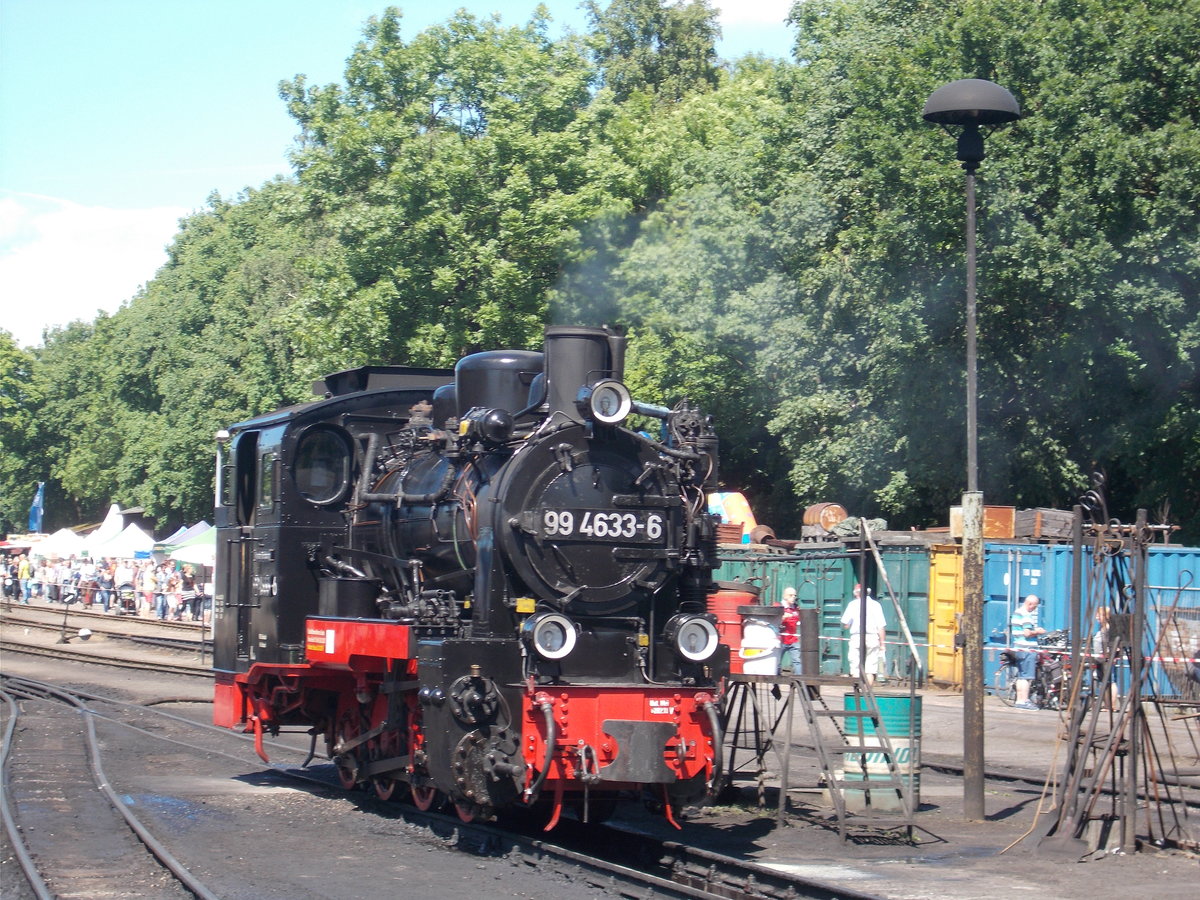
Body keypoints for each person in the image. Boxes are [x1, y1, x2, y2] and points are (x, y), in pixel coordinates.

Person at [841, 583, 886, 684]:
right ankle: (868, 692)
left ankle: (859, 693)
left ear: (856, 593)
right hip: (872, 637)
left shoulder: (852, 605)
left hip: (857, 637)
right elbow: (881, 626)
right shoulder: (876, 605)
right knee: (870, 667)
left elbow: (845, 624)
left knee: (856, 666)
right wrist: (882, 644)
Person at [1010, 594, 1047, 709]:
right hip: (1027, 648)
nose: (1035, 608)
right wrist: (1038, 631)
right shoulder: (1026, 615)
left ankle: (1019, 700)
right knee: (1027, 677)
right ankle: (1024, 701)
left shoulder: (1017, 612)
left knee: (1021, 675)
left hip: (1018, 647)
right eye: (1034, 606)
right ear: (1030, 604)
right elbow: (1027, 633)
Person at [778, 587, 800, 673]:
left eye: (794, 595)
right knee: (777, 663)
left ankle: (799, 683)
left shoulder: (796, 608)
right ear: (785, 596)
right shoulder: (779, 606)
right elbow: (773, 621)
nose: (793, 597)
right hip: (781, 640)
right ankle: (776, 684)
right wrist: (783, 618)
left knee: (797, 662)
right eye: (791, 595)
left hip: (793, 639)